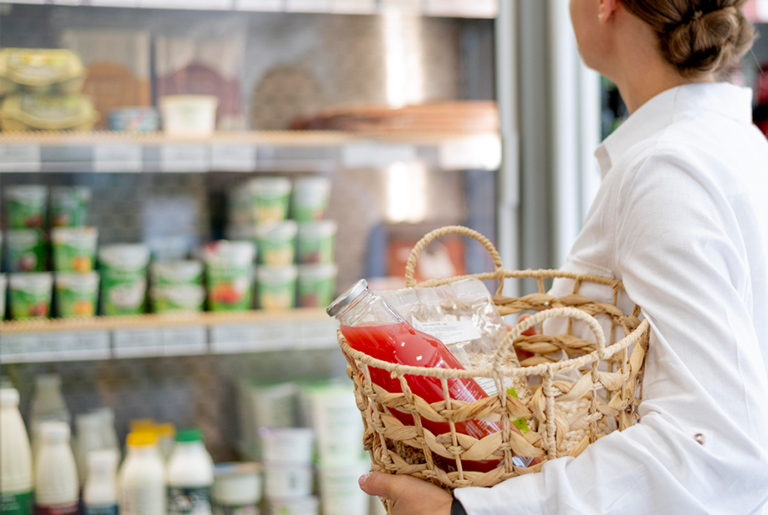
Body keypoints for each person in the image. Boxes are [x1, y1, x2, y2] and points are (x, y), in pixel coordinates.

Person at [357, 0, 768, 513]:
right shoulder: (736, 144)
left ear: (606, 5)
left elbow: (714, 447)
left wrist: (464, 511)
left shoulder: (663, 171)